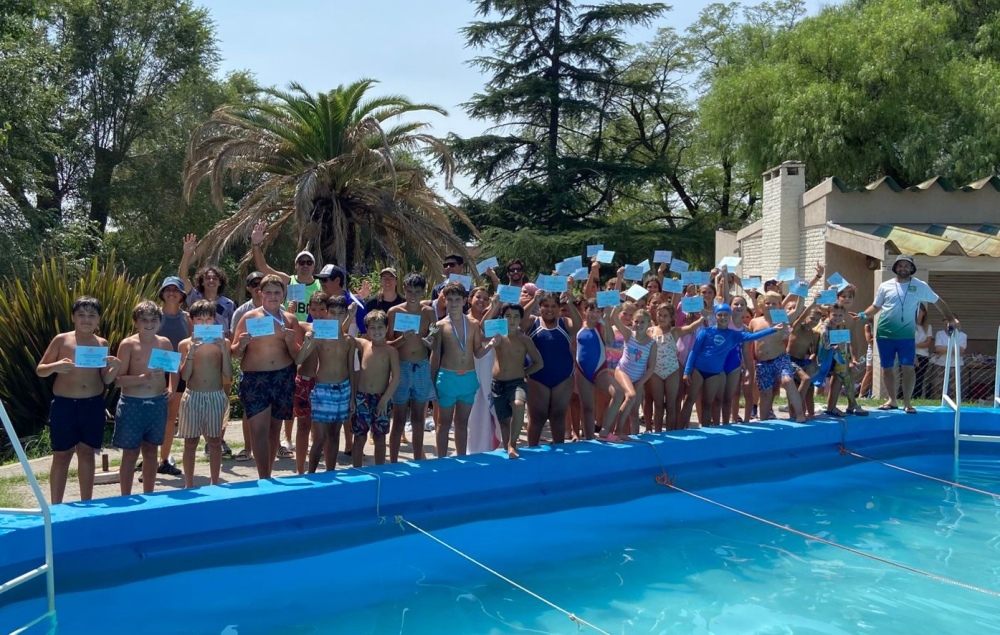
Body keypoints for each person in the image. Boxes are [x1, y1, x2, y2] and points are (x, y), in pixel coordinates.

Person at [36, 297, 122, 503]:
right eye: (81, 315)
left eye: (92, 315)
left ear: (98, 320)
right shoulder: (62, 340)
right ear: (73, 317)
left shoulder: (101, 343)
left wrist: (115, 368)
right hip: (65, 405)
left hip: (92, 405)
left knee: (87, 453)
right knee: (62, 454)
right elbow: (40, 370)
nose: (86, 319)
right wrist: (55, 366)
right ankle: (56, 505)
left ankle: (87, 502)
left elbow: (105, 379)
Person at [855, 254, 959, 413]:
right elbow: (876, 306)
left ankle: (908, 402)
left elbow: (938, 301)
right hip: (885, 334)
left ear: (912, 268)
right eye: (900, 265)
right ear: (895, 268)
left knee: (908, 367)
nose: (903, 268)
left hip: (906, 336)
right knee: (887, 368)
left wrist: (951, 319)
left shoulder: (920, 286)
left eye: (906, 265)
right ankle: (892, 400)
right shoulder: (885, 286)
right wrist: (863, 315)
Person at [231, 274, 302, 479]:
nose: (272, 296)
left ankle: (268, 475)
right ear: (261, 294)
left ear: (283, 295)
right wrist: (241, 344)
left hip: (282, 377)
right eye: (268, 292)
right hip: (255, 378)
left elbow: (297, 355)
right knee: (259, 431)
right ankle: (263, 479)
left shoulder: (289, 319)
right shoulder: (249, 318)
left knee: (273, 431)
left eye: (277, 292)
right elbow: (235, 353)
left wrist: (290, 341)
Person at [681, 304, 781, 427]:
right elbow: (694, 351)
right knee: (689, 400)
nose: (723, 317)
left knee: (707, 402)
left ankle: (706, 431)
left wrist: (773, 329)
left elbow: (753, 336)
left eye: (726, 315)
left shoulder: (733, 335)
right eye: (720, 315)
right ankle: (678, 428)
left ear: (730, 317)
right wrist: (687, 371)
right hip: (698, 370)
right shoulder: (705, 332)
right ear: (715, 316)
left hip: (714, 373)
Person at [112, 301, 174, 495]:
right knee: (130, 454)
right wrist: (142, 378)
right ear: (136, 322)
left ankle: (149, 495)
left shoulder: (164, 343)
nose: (149, 324)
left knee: (151, 451)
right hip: (132, 403)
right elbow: (118, 380)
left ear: (160, 322)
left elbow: (173, 370)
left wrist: (171, 387)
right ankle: (125, 496)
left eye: (153, 320)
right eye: (144, 320)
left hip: (156, 403)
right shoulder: (128, 344)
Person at [431, 281, 495, 457]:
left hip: (468, 378)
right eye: (449, 299)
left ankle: (462, 459)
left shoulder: (474, 323)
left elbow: (478, 352)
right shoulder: (440, 325)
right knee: (443, 424)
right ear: (444, 300)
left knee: (462, 422)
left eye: (457, 299)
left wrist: (490, 345)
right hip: (447, 377)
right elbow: (435, 355)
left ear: (465, 300)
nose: (453, 303)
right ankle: (442, 460)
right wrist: (432, 382)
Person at [297, 295, 357, 473]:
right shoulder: (319, 337)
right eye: (332, 313)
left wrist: (352, 396)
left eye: (340, 313)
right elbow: (298, 360)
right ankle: (312, 474)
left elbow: (351, 370)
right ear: (327, 314)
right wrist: (307, 343)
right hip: (323, 390)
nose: (336, 317)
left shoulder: (348, 340)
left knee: (334, 434)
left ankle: (330, 472)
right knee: (319, 438)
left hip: (343, 390)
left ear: (345, 314)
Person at [177, 300, 232, 487]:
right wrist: (191, 352)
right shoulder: (184, 344)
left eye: (208, 319)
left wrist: (224, 350)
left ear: (214, 321)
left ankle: (214, 482)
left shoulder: (223, 342)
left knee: (215, 442)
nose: (204, 323)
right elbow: (184, 375)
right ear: (192, 321)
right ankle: (189, 483)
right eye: (199, 319)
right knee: (190, 442)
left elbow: (228, 374)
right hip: (193, 395)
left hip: (215, 395)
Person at [386, 273, 437, 462]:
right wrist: (402, 339)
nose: (413, 295)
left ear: (423, 291)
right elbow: (387, 343)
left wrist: (430, 340)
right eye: (409, 291)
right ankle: (392, 461)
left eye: (417, 291)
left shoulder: (428, 312)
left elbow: (434, 331)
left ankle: (417, 459)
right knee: (398, 419)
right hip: (402, 368)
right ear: (404, 290)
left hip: (422, 367)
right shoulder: (394, 312)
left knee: (418, 418)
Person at [521, 289, 581, 446]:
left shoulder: (565, 322)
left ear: (558, 308)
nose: (549, 309)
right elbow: (521, 319)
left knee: (558, 415)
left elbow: (578, 325)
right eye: (545, 305)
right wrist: (533, 300)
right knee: (537, 417)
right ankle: (533, 452)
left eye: (554, 306)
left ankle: (558, 452)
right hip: (537, 378)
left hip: (563, 377)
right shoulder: (532, 322)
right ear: (540, 307)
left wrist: (569, 303)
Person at [492, 303, 544, 457]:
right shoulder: (497, 337)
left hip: (517, 382)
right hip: (497, 384)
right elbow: (482, 327)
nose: (512, 320)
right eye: (508, 316)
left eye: (516, 317)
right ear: (502, 318)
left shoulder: (524, 340)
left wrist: (524, 372)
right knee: (504, 421)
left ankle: (512, 444)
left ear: (521, 319)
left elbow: (539, 363)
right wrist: (494, 304)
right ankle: (508, 447)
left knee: (519, 404)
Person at [352, 310, 401, 467]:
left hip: (381, 398)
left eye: (380, 327)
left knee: (380, 439)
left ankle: (380, 472)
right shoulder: (363, 344)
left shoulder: (391, 351)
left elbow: (397, 377)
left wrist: (385, 400)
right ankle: (357, 471)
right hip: (362, 398)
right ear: (366, 330)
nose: (376, 331)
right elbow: (343, 336)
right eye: (372, 327)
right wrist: (350, 314)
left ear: (387, 328)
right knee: (359, 438)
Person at [289, 292, 330, 474]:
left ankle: (327, 468)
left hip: (323, 384)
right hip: (305, 382)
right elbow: (298, 358)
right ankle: (300, 470)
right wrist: (308, 341)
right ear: (309, 309)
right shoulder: (304, 326)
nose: (318, 313)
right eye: (314, 309)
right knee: (303, 427)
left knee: (323, 430)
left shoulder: (333, 330)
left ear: (328, 310)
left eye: (322, 309)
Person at [750, 291, 806, 423]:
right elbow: (747, 339)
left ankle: (799, 414)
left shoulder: (783, 319)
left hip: (779, 358)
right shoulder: (755, 321)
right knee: (765, 393)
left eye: (774, 303)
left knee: (787, 381)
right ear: (762, 305)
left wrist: (802, 291)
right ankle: (764, 421)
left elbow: (798, 310)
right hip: (762, 363)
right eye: (767, 303)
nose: (770, 305)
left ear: (779, 305)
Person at [574, 299, 625, 441]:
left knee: (618, 393)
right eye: (592, 310)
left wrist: (607, 319)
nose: (594, 314)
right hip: (582, 371)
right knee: (587, 408)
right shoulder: (579, 325)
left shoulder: (601, 326)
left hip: (600, 370)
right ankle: (589, 439)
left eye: (598, 311)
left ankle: (604, 431)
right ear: (585, 310)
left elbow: (610, 340)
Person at [155, 276, 190, 476]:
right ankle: (149, 459)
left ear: (182, 295)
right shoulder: (154, 316)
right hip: (156, 370)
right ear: (162, 293)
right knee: (153, 417)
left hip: (179, 370)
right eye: (167, 289)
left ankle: (163, 459)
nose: (171, 293)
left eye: (175, 290)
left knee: (170, 418)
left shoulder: (187, 318)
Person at [230, 271, 264, 463]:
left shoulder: (279, 308)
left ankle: (275, 448)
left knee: (275, 412)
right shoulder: (241, 312)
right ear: (248, 288)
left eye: (261, 284)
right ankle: (247, 448)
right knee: (248, 410)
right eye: (254, 284)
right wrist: (241, 344)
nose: (258, 288)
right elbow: (234, 349)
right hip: (250, 368)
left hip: (274, 370)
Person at [610, 306, 657, 437]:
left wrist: (639, 383)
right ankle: (617, 431)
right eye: (636, 321)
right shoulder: (629, 334)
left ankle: (634, 438)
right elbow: (614, 318)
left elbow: (651, 368)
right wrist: (616, 304)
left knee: (634, 413)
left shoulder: (652, 344)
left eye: (642, 322)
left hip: (638, 378)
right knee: (630, 396)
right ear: (632, 322)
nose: (639, 324)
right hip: (622, 372)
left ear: (649, 323)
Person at [177, 234, 236, 337]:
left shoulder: (228, 304)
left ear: (220, 282)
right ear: (202, 282)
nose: (211, 280)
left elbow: (232, 330)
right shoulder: (195, 297)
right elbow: (182, 277)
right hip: (198, 346)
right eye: (207, 278)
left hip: (220, 348)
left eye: (215, 278)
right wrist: (187, 254)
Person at [814, 303, 867, 417]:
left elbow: (846, 343)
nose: (837, 318)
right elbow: (824, 345)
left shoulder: (842, 325)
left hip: (837, 355)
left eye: (840, 315)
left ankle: (834, 407)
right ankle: (851, 404)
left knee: (844, 374)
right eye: (834, 315)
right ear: (828, 314)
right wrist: (835, 348)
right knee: (843, 375)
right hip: (824, 358)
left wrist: (850, 359)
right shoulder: (825, 327)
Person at [932, 315, 967, 400]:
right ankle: (937, 401)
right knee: (938, 386)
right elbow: (938, 349)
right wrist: (954, 348)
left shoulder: (962, 335)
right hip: (941, 364)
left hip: (956, 364)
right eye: (946, 322)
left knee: (954, 387)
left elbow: (961, 351)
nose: (947, 324)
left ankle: (953, 402)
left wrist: (945, 348)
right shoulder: (940, 334)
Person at [913, 303, 933, 399]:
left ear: (924, 313)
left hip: (923, 355)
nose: (917, 314)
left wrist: (916, 345)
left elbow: (928, 343)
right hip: (911, 354)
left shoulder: (928, 327)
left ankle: (917, 397)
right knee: (908, 377)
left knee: (920, 378)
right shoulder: (911, 325)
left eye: (919, 312)